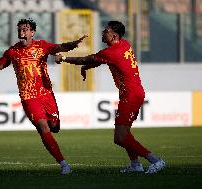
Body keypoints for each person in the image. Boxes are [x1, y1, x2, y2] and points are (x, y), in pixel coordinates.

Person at [0, 18, 87, 175]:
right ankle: (63, 164)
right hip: (28, 97)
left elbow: (60, 47)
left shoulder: (42, 46)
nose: (21, 32)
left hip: (46, 94)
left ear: (32, 32)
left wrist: (73, 44)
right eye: (19, 29)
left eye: (25, 29)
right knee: (43, 127)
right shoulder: (12, 52)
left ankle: (56, 133)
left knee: (54, 127)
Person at [55, 21, 165, 174]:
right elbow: (98, 61)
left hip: (131, 96)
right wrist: (87, 67)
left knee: (119, 137)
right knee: (125, 133)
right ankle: (135, 165)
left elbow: (86, 59)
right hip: (132, 93)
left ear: (114, 35)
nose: (102, 33)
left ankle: (156, 160)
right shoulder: (124, 45)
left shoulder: (111, 52)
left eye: (105, 31)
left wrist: (64, 59)